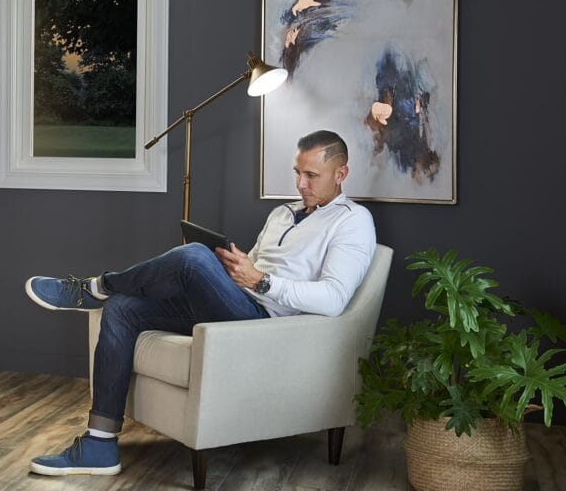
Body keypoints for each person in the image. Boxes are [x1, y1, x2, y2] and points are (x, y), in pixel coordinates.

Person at [24, 130, 376, 477]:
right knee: (123, 308)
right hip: (238, 302)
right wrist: (238, 266)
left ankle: (96, 286)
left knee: (193, 255)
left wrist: (260, 280)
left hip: (268, 324)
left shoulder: (353, 221)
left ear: (341, 173)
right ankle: (100, 444)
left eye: (311, 175)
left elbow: (333, 299)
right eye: (297, 173)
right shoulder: (282, 213)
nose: (301, 183)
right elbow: (257, 264)